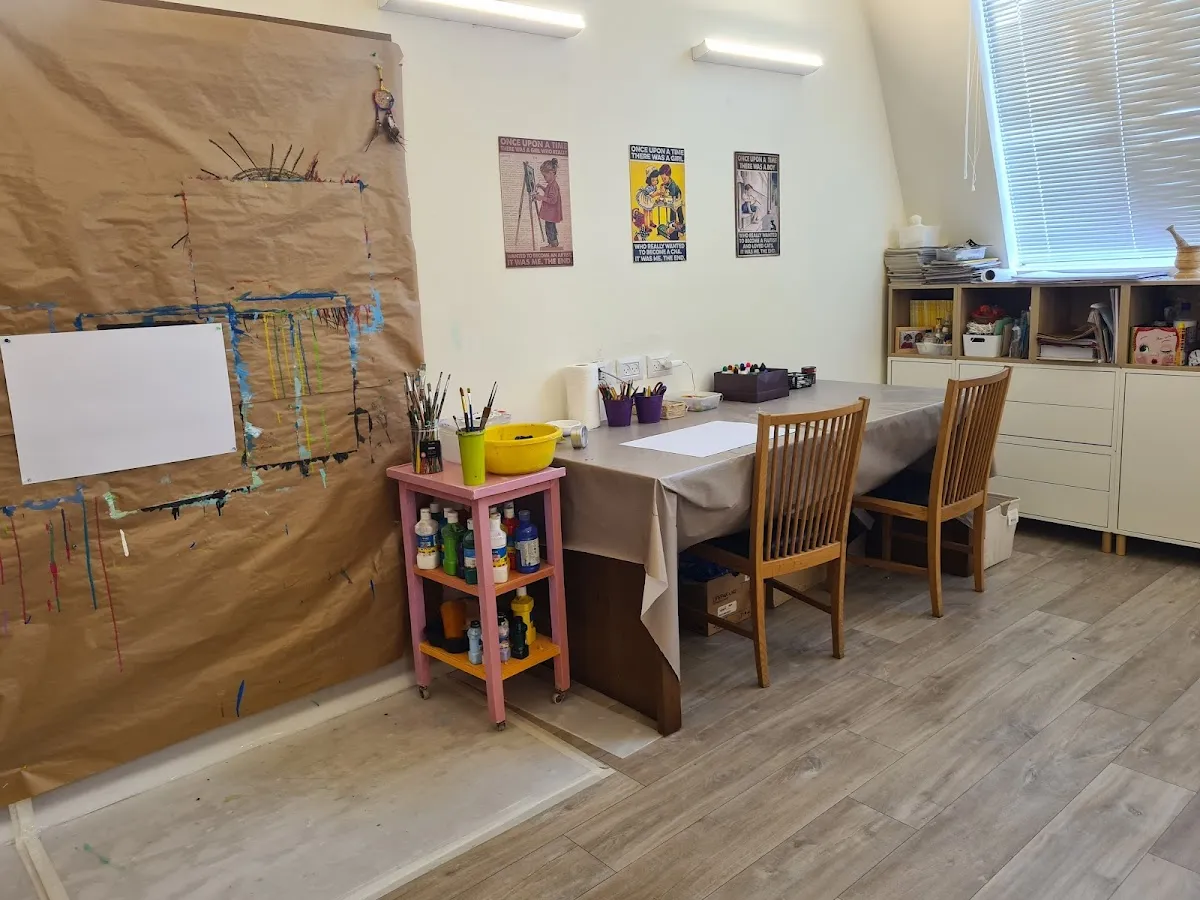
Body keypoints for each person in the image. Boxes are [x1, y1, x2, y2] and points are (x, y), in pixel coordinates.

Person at [534, 158, 563, 249]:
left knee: (549, 228)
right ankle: (554, 243)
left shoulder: (553, 186)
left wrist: (541, 197)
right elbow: (547, 191)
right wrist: (541, 187)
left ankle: (552, 244)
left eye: (545, 176)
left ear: (551, 173)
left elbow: (553, 200)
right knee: (551, 228)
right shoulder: (551, 184)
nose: (544, 178)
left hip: (551, 213)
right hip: (551, 214)